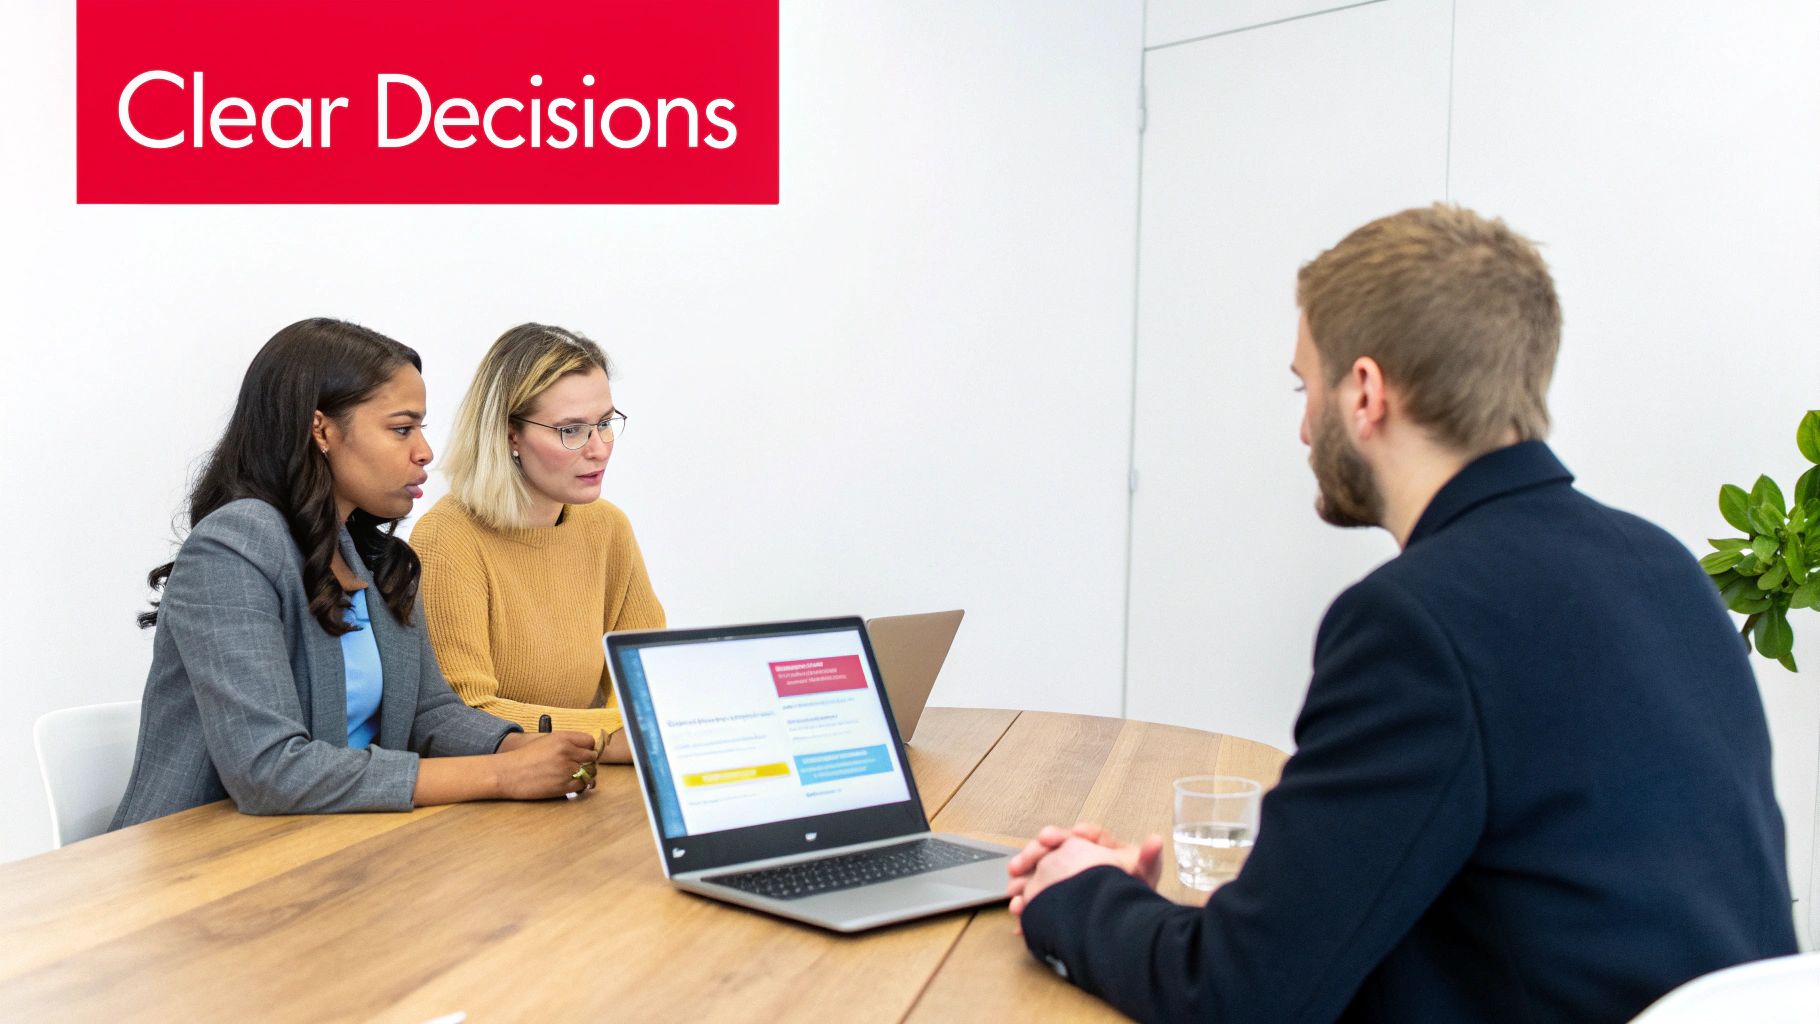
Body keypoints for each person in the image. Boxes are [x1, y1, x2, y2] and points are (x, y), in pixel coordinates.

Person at [1006, 205, 1797, 1021]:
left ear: (1366, 393)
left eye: (1304, 385)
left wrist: (1078, 896)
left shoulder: (1416, 623)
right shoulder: (1661, 564)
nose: (1305, 425)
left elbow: (1242, 1000)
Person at [112, 318, 599, 830]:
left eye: (421, 429)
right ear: (321, 429)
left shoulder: (374, 556)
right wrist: (501, 775)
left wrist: (524, 745)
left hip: (331, 843)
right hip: (197, 864)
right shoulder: (234, 546)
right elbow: (269, 770)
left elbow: (429, 714)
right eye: (401, 428)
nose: (425, 452)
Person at [412, 323, 663, 764]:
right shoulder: (447, 538)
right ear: (510, 434)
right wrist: (619, 734)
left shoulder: (607, 528)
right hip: (497, 791)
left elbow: (651, 683)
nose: (600, 448)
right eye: (571, 430)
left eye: (605, 423)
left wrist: (631, 730)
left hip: (582, 775)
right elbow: (466, 714)